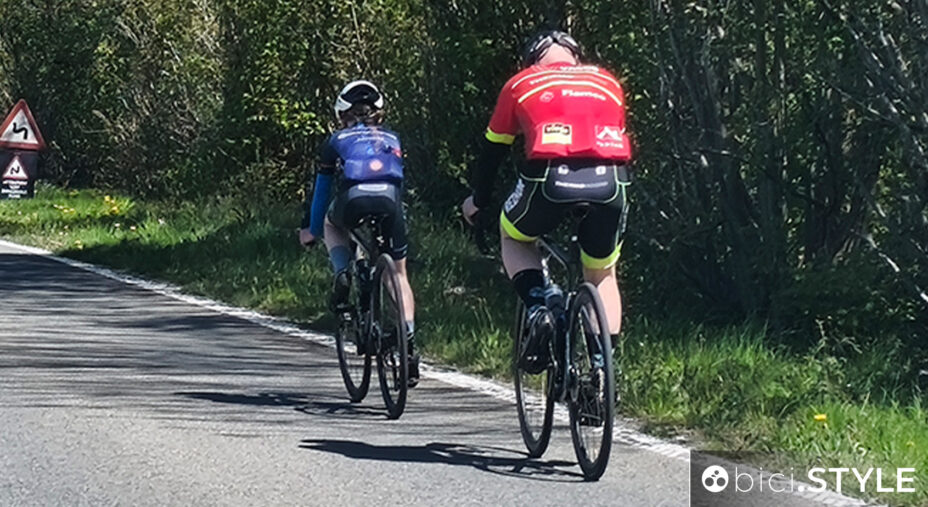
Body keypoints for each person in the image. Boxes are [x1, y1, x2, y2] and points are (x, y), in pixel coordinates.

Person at [461, 30, 632, 373]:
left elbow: (493, 151)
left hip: (549, 177)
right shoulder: (607, 81)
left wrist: (478, 200)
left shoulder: (522, 82)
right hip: (611, 180)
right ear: (576, 57)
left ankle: (539, 307)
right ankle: (602, 370)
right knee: (603, 274)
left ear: (533, 59)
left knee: (513, 235)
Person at [300, 80, 419, 386]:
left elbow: (322, 191)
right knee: (400, 274)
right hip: (390, 201)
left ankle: (343, 271)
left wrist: (311, 230)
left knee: (331, 224)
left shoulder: (335, 140)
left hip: (351, 200)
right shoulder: (393, 138)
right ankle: (408, 339)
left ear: (342, 115)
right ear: (379, 113)